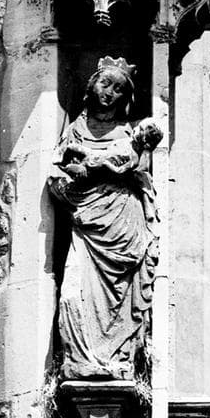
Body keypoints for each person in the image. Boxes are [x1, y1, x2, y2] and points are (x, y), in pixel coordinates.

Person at [48, 56, 162, 380]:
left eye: (118, 89)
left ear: (126, 98)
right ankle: (81, 361)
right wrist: (76, 179)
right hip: (86, 223)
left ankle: (118, 359)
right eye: (105, 83)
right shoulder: (74, 130)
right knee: (73, 295)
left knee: (121, 296)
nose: (109, 93)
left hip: (122, 223)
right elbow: (56, 175)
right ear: (91, 86)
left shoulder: (129, 133)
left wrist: (100, 167)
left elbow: (139, 169)